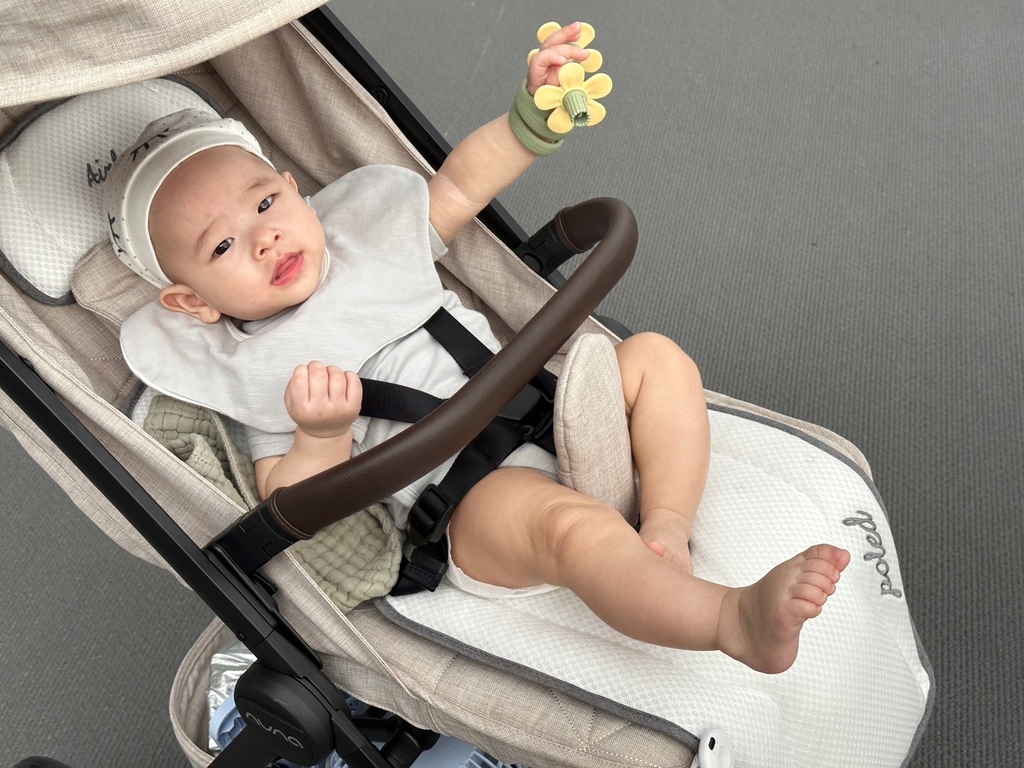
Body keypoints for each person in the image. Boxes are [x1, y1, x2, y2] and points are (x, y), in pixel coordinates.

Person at [105, 22, 849, 674]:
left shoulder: (370, 237)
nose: (265, 236)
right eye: (224, 246)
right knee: (572, 532)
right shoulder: (256, 371)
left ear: (295, 189)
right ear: (193, 301)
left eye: (266, 203)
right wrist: (320, 435)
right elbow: (289, 501)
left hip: (547, 410)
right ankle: (730, 620)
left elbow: (460, 186)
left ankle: (667, 527)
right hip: (465, 498)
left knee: (656, 358)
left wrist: (530, 118)